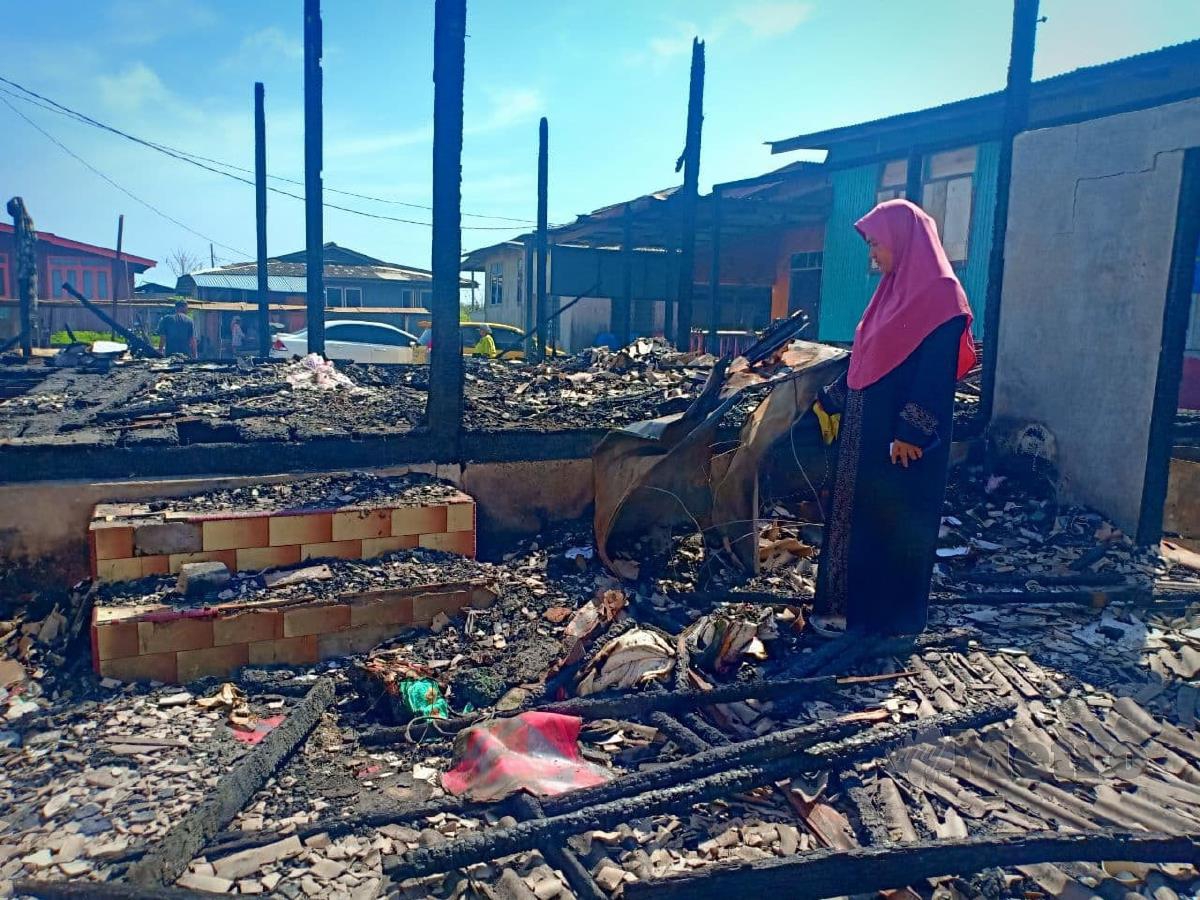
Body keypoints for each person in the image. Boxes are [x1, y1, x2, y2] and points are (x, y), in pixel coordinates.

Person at [810, 199, 976, 638]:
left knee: (895, 524)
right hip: (865, 436)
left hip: (900, 446)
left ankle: (887, 621)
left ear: (904, 240)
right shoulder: (889, 294)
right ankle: (848, 610)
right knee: (858, 518)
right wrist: (832, 399)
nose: (873, 256)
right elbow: (868, 359)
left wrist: (913, 431)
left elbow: (936, 373)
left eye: (877, 244)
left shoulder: (940, 295)